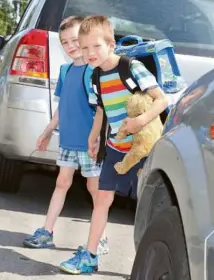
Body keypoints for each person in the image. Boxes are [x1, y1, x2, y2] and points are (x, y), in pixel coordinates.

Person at [59, 15, 169, 275]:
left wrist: (138, 120)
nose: (89, 53)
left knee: (148, 206)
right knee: (102, 198)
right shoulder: (95, 76)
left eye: (96, 46)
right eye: (84, 48)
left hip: (144, 149)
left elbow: (161, 100)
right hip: (116, 148)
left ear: (111, 44)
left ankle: (150, 266)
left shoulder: (130, 67)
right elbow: (100, 110)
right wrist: (93, 136)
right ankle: (91, 255)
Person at [22, 15, 109, 255]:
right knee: (61, 183)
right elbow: (63, 106)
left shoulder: (94, 72)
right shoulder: (65, 70)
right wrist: (48, 130)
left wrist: (99, 137)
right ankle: (46, 231)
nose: (71, 46)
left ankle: (100, 238)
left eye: (75, 40)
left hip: (89, 143)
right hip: (69, 141)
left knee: (95, 190)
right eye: (65, 42)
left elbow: (104, 108)